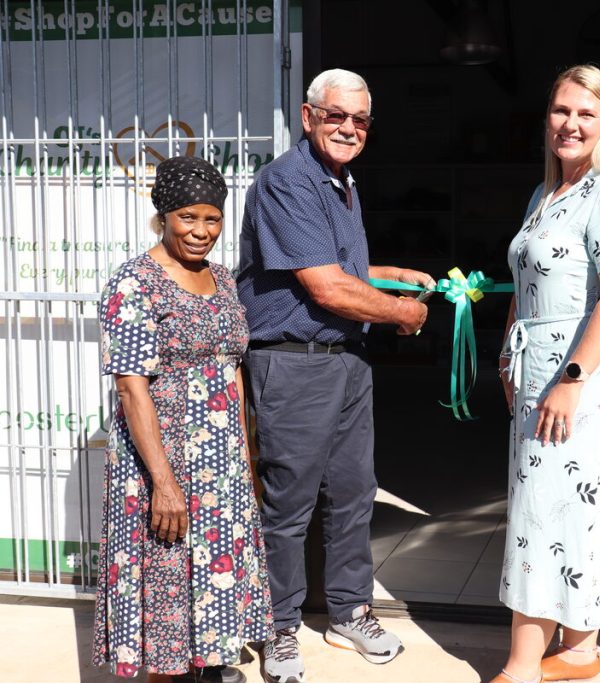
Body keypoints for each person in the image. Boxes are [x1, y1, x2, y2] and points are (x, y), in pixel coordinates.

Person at [235, 68, 433, 683]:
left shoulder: (341, 181)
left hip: (346, 358)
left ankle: (349, 611)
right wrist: (404, 313)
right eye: (336, 116)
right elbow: (325, 287)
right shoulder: (287, 182)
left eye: (360, 119)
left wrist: (391, 274)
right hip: (294, 362)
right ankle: (278, 628)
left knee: (352, 493)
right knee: (289, 504)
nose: (349, 128)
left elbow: (339, 265)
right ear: (308, 116)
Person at [493, 64, 600, 683]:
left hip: (581, 383)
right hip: (539, 374)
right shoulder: (546, 193)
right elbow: (526, 283)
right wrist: (508, 353)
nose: (571, 123)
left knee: (550, 513)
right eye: (562, 110)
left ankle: (522, 666)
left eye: (587, 113)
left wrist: (573, 378)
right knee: (559, 512)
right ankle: (580, 651)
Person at [92, 156, 274, 683]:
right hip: (162, 464)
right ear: (164, 217)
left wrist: (245, 458)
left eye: (212, 219)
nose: (201, 231)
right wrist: (164, 484)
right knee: (166, 592)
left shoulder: (222, 278)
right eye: (187, 217)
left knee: (214, 590)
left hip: (222, 467)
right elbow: (131, 388)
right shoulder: (135, 282)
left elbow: (231, 369)